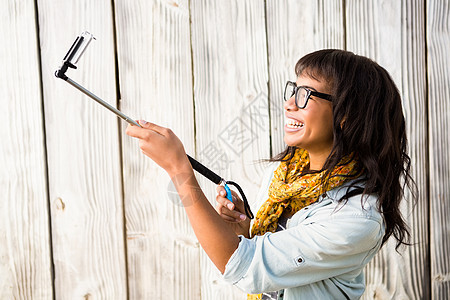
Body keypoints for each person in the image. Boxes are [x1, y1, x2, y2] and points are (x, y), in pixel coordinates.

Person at [126, 49, 414, 299]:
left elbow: (244, 267)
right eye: (293, 90)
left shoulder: (356, 218)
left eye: (306, 95)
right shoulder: (283, 176)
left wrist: (179, 170)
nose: (289, 104)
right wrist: (245, 232)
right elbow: (266, 264)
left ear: (347, 115)